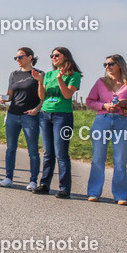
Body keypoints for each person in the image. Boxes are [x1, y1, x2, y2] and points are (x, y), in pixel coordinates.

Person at [86, 55, 127, 205]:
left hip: (122, 121)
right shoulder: (100, 82)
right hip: (102, 121)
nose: (107, 66)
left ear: (120, 65)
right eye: (106, 64)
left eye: (111, 64)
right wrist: (103, 106)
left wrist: (126, 103)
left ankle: (121, 195)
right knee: (98, 159)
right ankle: (94, 192)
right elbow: (90, 101)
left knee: (120, 160)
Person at [34, 46, 82, 198]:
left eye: (56, 55)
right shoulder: (49, 74)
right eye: (52, 56)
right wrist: (40, 82)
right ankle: (44, 184)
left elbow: (67, 95)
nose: (53, 58)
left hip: (62, 116)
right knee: (48, 153)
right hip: (45, 114)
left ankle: (64, 188)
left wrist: (60, 78)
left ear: (66, 57)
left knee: (61, 153)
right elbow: (42, 97)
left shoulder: (74, 75)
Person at [0, 47, 42, 190]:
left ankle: (33, 180)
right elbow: (10, 95)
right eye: (16, 58)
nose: (17, 60)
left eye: (20, 57)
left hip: (29, 116)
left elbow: (44, 96)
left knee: (33, 150)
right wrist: (4, 99)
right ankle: (8, 178)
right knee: (10, 148)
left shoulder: (39, 74)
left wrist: (37, 109)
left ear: (30, 57)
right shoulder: (14, 74)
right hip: (13, 114)